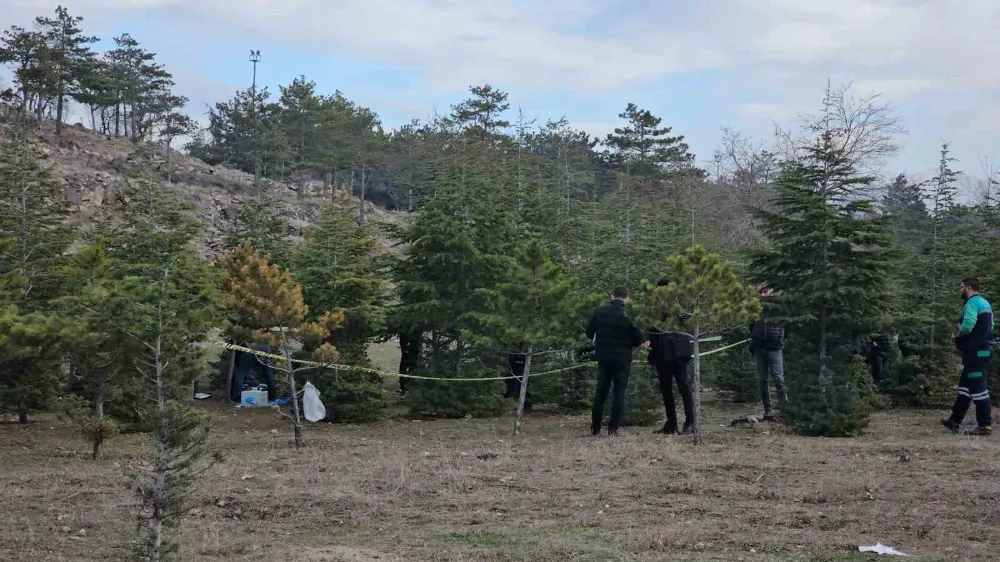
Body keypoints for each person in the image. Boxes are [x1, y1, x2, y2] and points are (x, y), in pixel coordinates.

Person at [586, 287, 647, 436]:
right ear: (627, 298)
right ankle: (613, 429)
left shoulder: (599, 311)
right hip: (623, 358)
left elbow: (589, 332)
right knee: (619, 393)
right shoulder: (630, 314)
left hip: (604, 357)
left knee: (601, 392)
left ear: (612, 296)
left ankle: (596, 428)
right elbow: (639, 338)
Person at [941, 278, 993, 436]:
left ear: (969, 288)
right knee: (965, 386)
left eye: (961, 287)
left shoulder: (972, 303)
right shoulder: (985, 303)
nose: (960, 290)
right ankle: (954, 421)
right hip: (984, 350)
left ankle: (985, 426)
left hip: (975, 352)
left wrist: (958, 335)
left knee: (978, 387)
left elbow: (969, 323)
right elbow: (991, 326)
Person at [647, 279, 694, 435]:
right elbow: (651, 330)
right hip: (661, 354)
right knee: (666, 390)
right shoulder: (655, 308)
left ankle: (690, 422)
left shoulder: (678, 305)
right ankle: (671, 424)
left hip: (678, 354)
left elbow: (686, 320)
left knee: (684, 387)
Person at [749, 287, 787, 421]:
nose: (764, 294)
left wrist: (780, 339)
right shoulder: (755, 308)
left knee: (778, 379)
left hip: (775, 348)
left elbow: (786, 326)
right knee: (762, 380)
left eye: (767, 291)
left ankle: (785, 410)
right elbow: (751, 326)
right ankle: (768, 410)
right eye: (762, 292)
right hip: (759, 348)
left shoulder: (779, 308)